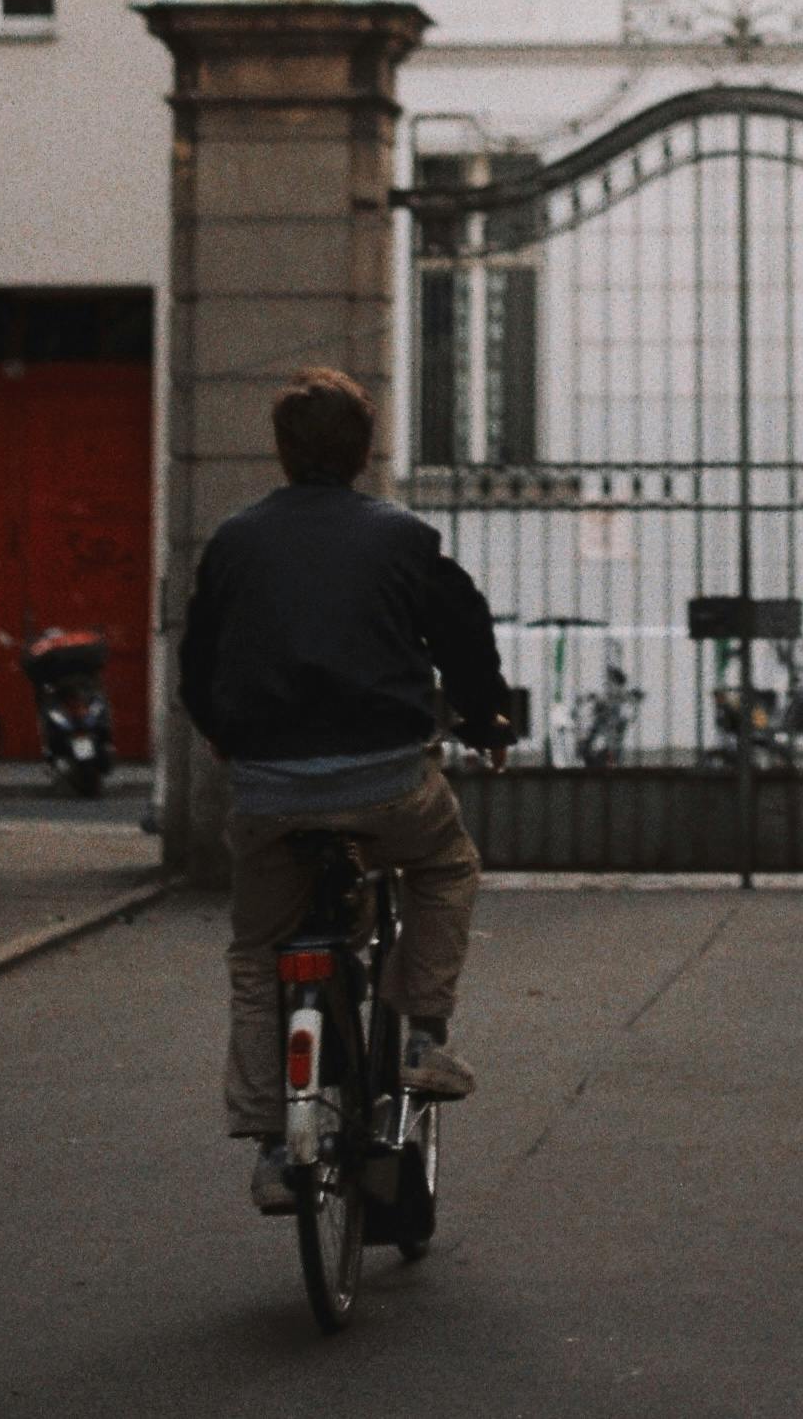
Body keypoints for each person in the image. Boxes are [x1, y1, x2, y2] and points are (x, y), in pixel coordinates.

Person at [178, 364, 511, 1213]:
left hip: (268, 793)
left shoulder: (235, 540)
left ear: (282, 453)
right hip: (385, 785)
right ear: (365, 454)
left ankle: (266, 1142)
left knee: (259, 954)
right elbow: (463, 637)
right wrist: (486, 721)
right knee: (445, 868)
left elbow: (199, 661)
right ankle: (421, 1036)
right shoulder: (400, 538)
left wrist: (223, 732)